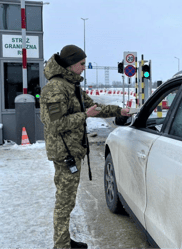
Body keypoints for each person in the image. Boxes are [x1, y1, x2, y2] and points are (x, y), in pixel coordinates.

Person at [40, 45, 130, 249]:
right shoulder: (55, 88)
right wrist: (84, 116)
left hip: (71, 150)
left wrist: (119, 111)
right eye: (81, 64)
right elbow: (54, 124)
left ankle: (64, 241)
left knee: (66, 200)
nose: (84, 67)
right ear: (71, 64)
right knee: (64, 202)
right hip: (64, 153)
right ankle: (62, 246)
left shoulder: (71, 85)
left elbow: (94, 108)